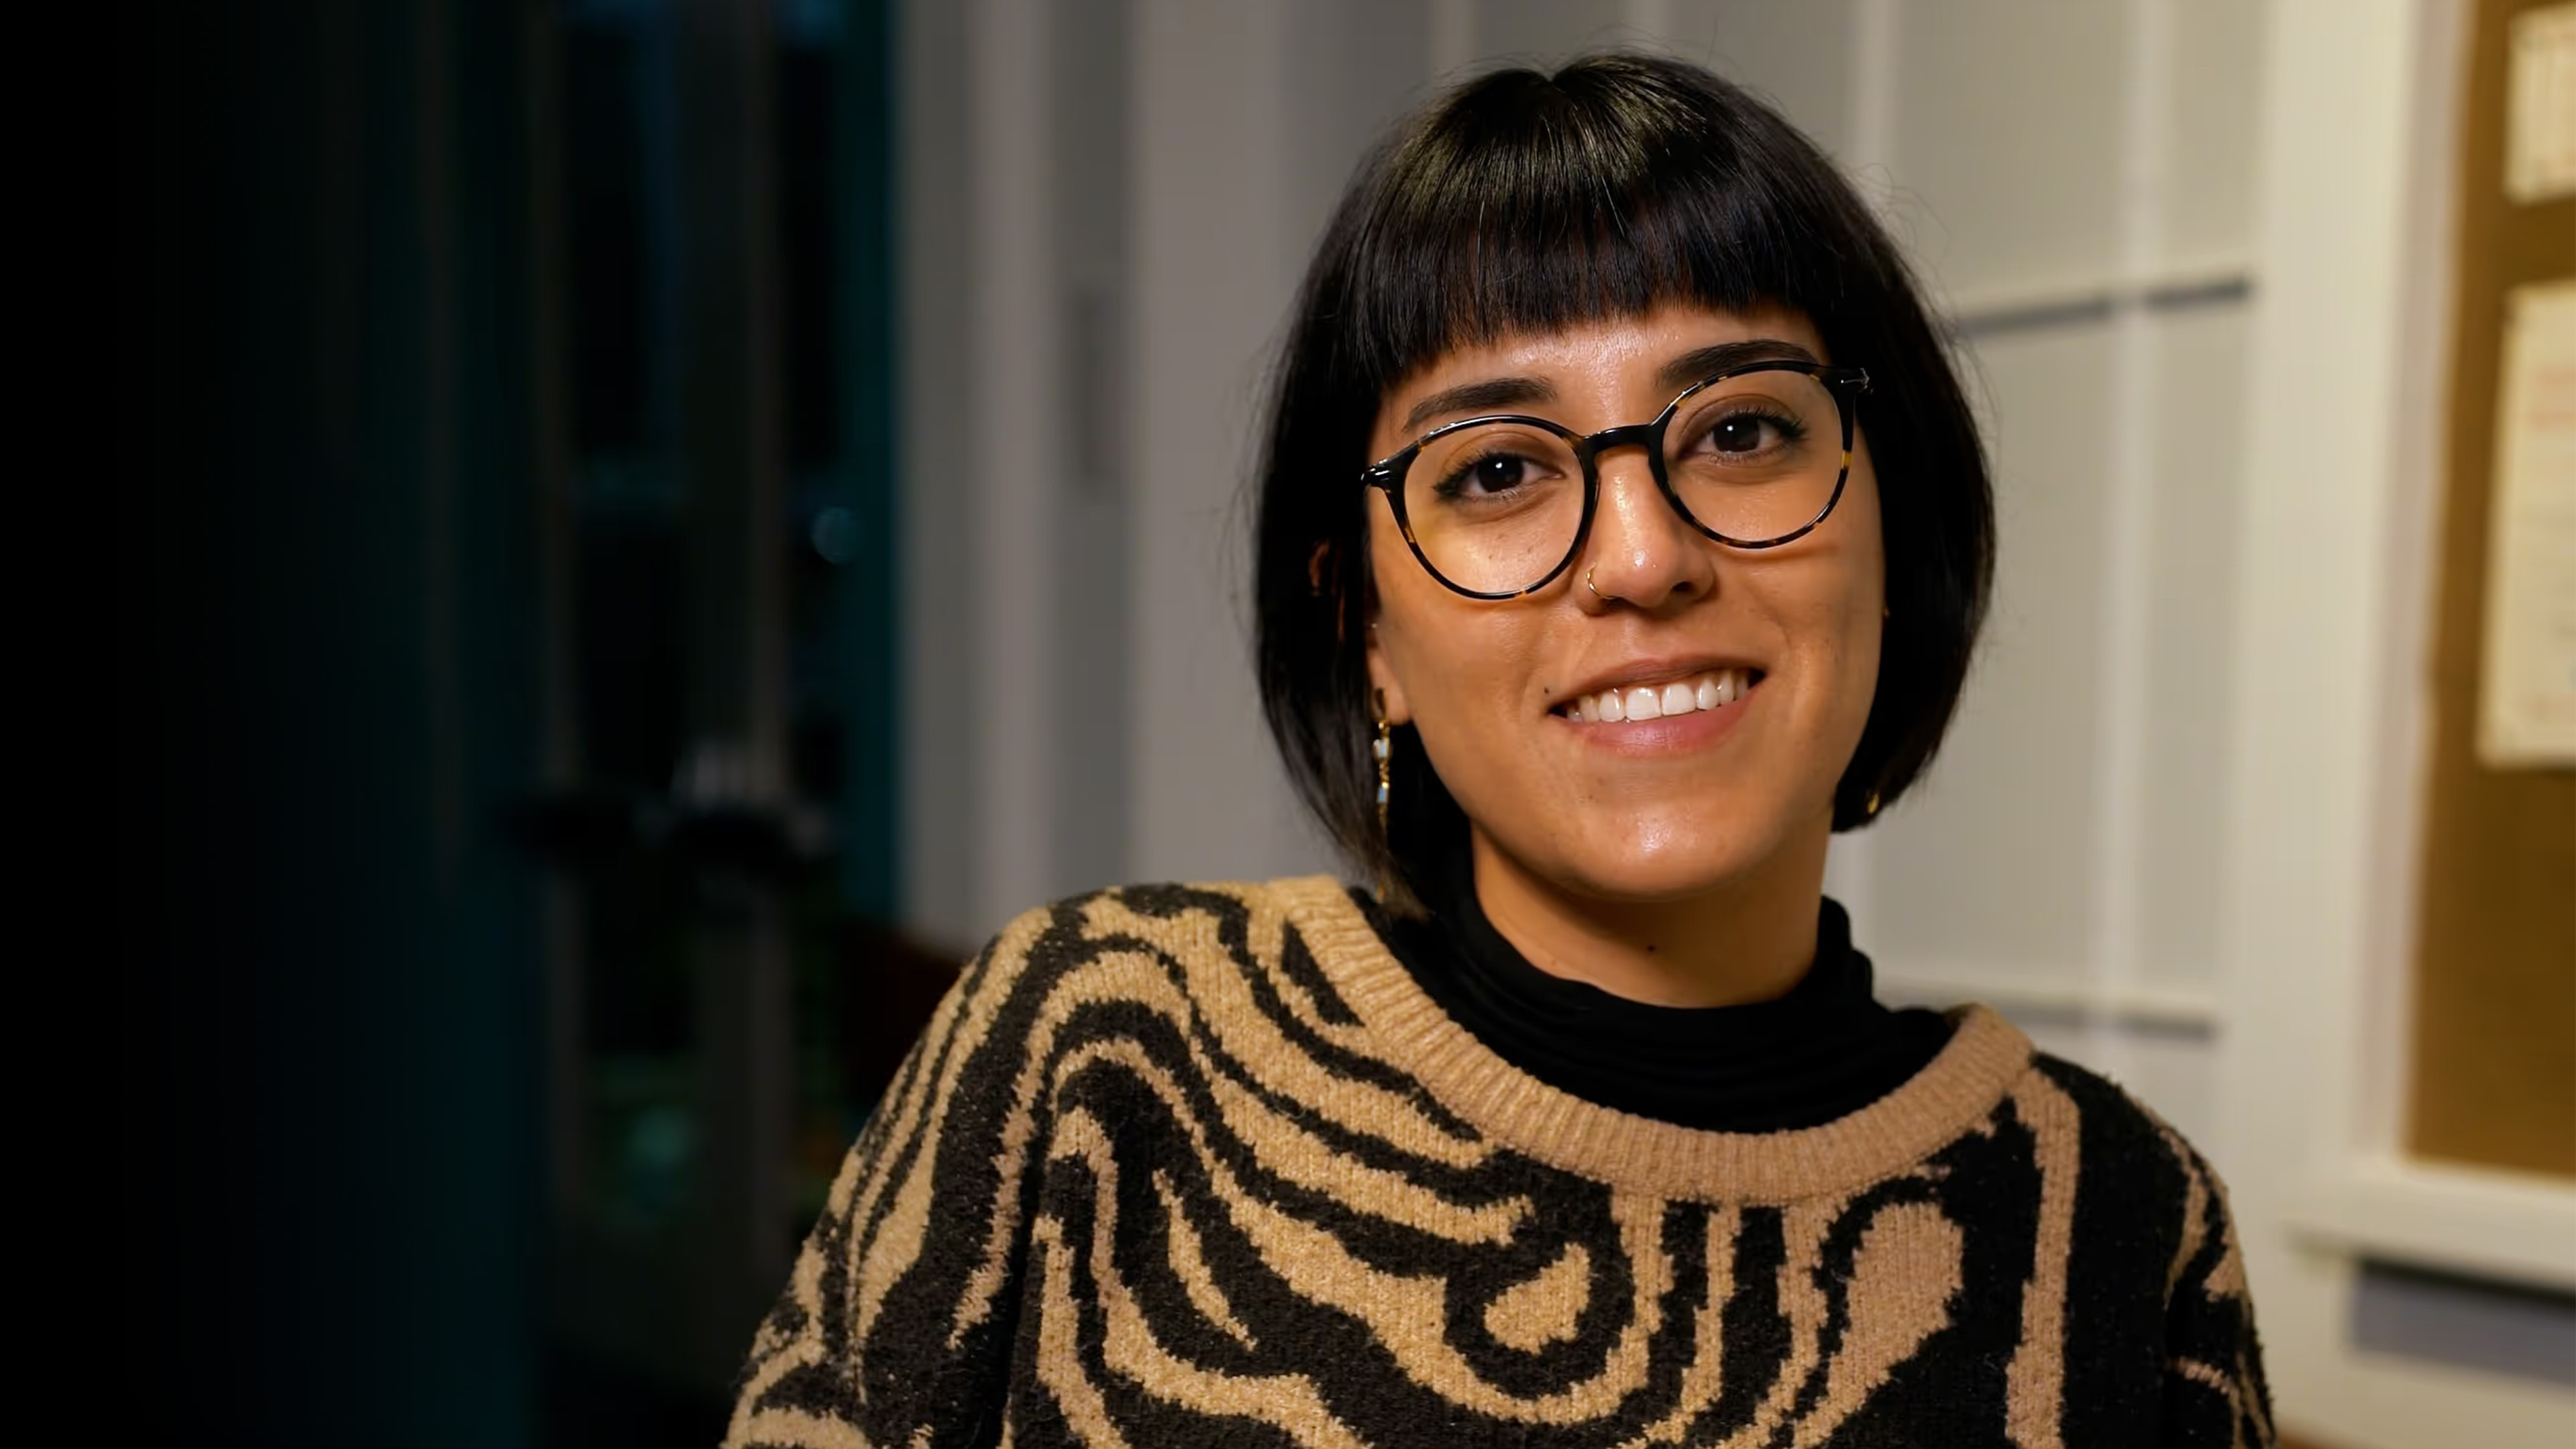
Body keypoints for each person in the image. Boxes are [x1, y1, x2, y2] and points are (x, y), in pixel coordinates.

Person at [725, 53, 2271, 1447]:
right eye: (1498, 471)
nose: (1644, 557)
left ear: (1892, 526)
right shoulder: (1101, 1049)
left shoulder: (2113, 1224)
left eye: (1741, 431)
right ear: (1369, 633)